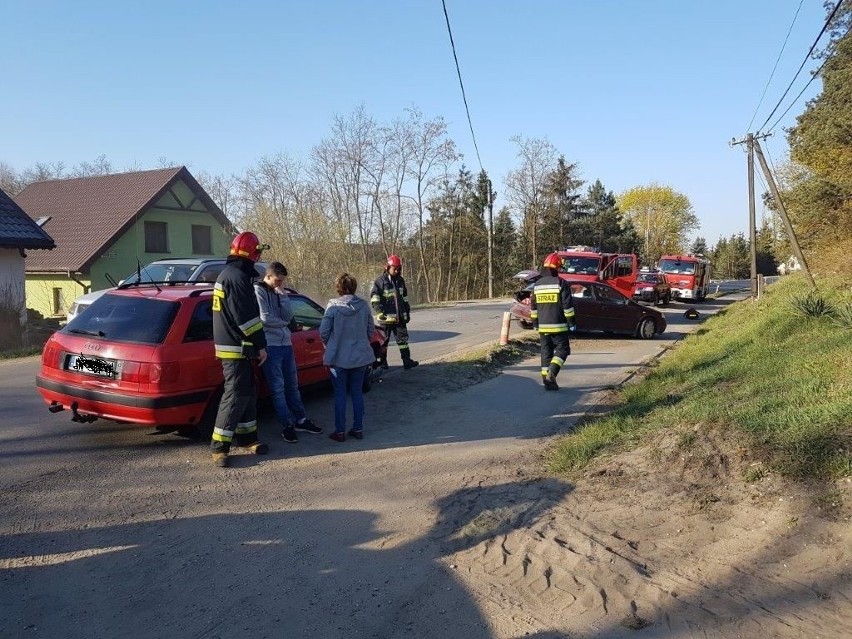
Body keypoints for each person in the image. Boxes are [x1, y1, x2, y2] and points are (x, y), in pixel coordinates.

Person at [209, 231, 271, 468]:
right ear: (253, 253)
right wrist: (261, 344)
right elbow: (247, 319)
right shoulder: (235, 278)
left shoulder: (232, 275)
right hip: (234, 348)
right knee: (234, 395)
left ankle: (247, 438)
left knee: (247, 392)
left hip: (239, 348)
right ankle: (219, 446)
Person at [254, 261, 323, 444]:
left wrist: (282, 294)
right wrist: (286, 324)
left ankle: (300, 419)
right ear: (267, 276)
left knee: (292, 385)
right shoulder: (258, 291)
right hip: (271, 345)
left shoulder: (278, 292)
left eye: (282, 281)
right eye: (277, 281)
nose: (279, 284)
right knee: (277, 388)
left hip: (286, 343)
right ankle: (287, 425)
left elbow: (287, 315)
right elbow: (266, 319)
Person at [320, 272, 377, 442]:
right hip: (360, 358)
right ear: (354, 287)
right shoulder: (364, 306)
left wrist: (330, 344)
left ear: (338, 288)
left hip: (338, 358)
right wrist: (361, 343)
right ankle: (358, 429)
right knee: (357, 393)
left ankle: (339, 432)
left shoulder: (332, 307)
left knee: (340, 395)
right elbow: (370, 330)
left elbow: (323, 332)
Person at [530, 252, 576, 391]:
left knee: (546, 353)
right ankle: (552, 373)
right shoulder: (561, 283)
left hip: (543, 328)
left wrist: (535, 324)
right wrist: (572, 323)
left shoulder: (537, 285)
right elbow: (567, 306)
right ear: (557, 267)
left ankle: (547, 381)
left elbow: (534, 308)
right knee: (563, 350)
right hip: (559, 326)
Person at [370, 254, 418, 370]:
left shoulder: (400, 281)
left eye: (399, 268)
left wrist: (407, 313)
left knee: (403, 341)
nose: (397, 271)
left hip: (399, 318)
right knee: (383, 342)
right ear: (387, 267)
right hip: (386, 319)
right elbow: (375, 298)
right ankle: (383, 363)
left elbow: (404, 298)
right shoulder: (380, 281)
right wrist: (380, 312)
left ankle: (407, 361)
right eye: (394, 268)